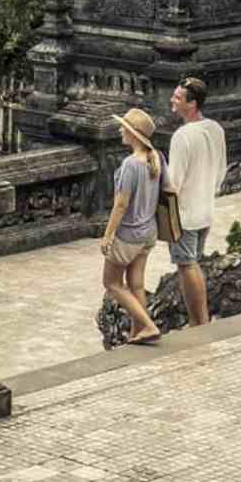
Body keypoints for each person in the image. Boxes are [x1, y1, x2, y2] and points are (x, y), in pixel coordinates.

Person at [99, 107, 165, 346]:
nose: (119, 130)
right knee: (136, 284)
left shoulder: (130, 164)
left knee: (112, 284)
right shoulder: (155, 157)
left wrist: (108, 236)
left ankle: (148, 326)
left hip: (128, 234)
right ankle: (140, 333)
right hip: (148, 232)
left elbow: (121, 205)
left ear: (134, 134)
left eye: (124, 127)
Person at [164, 76, 225, 328]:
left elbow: (173, 182)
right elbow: (221, 170)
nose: (172, 101)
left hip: (185, 213)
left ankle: (198, 322)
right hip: (205, 209)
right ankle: (199, 320)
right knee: (193, 263)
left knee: (187, 265)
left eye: (178, 98)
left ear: (192, 104)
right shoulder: (215, 129)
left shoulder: (182, 135)